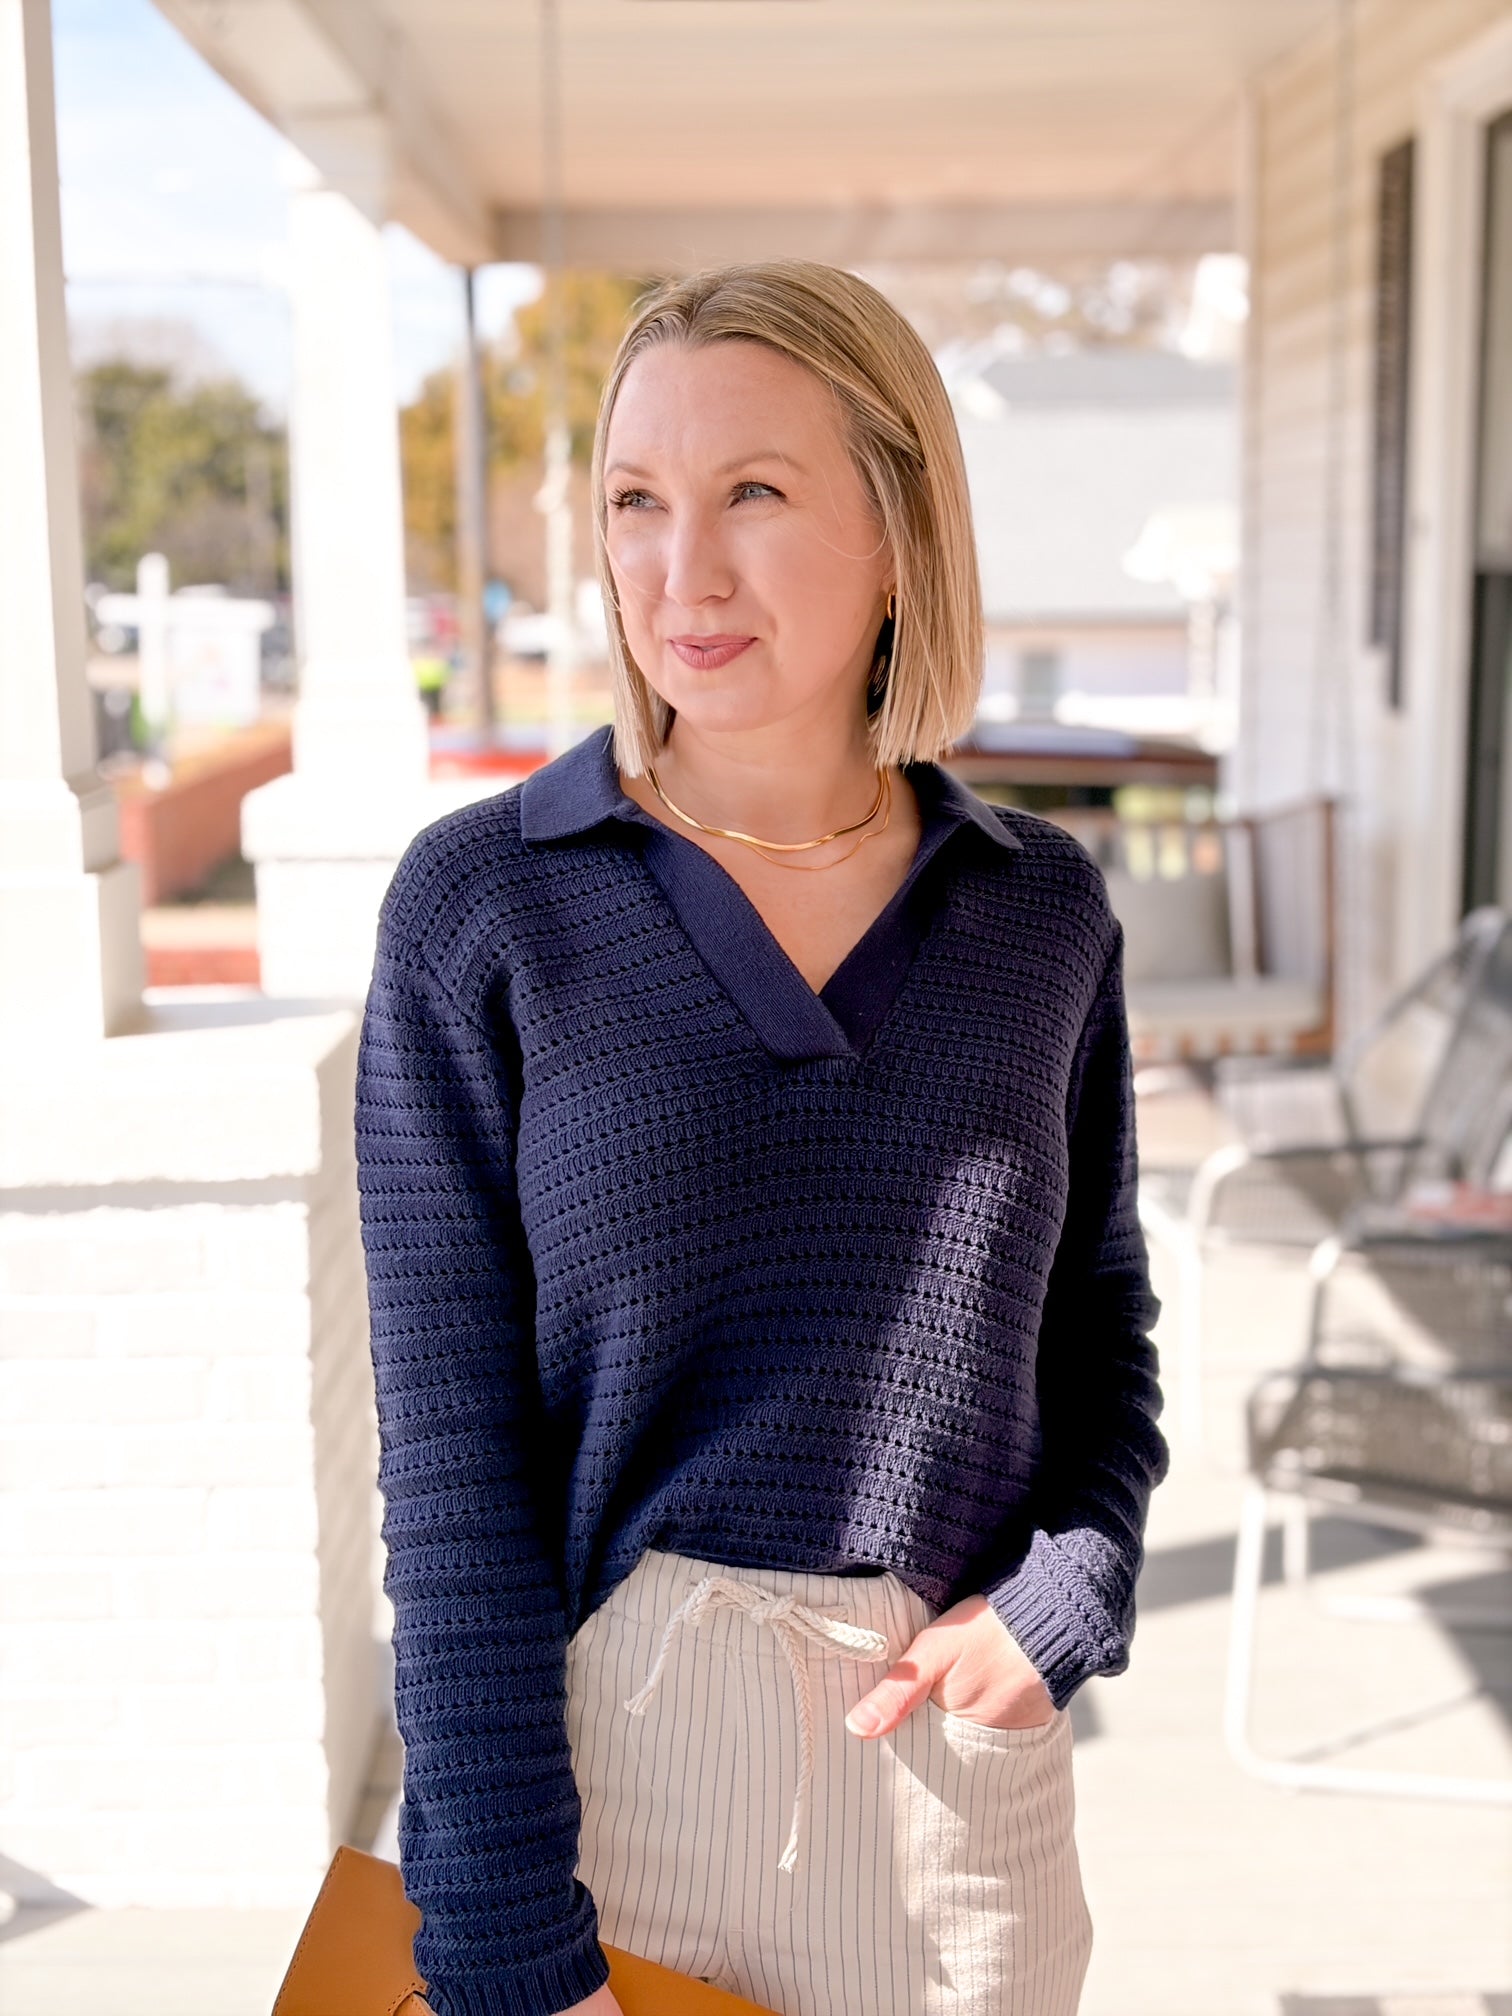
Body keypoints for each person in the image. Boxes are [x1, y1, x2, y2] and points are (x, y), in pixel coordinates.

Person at [354, 259, 1170, 2016]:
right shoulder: (483, 907)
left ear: (898, 529)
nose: (680, 572)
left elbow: (1097, 1323)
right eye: (637, 501)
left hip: (955, 1796)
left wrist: (1073, 1592)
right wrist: (501, 1937)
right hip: (605, 1793)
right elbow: (447, 1464)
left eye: (754, 495)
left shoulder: (1044, 917)